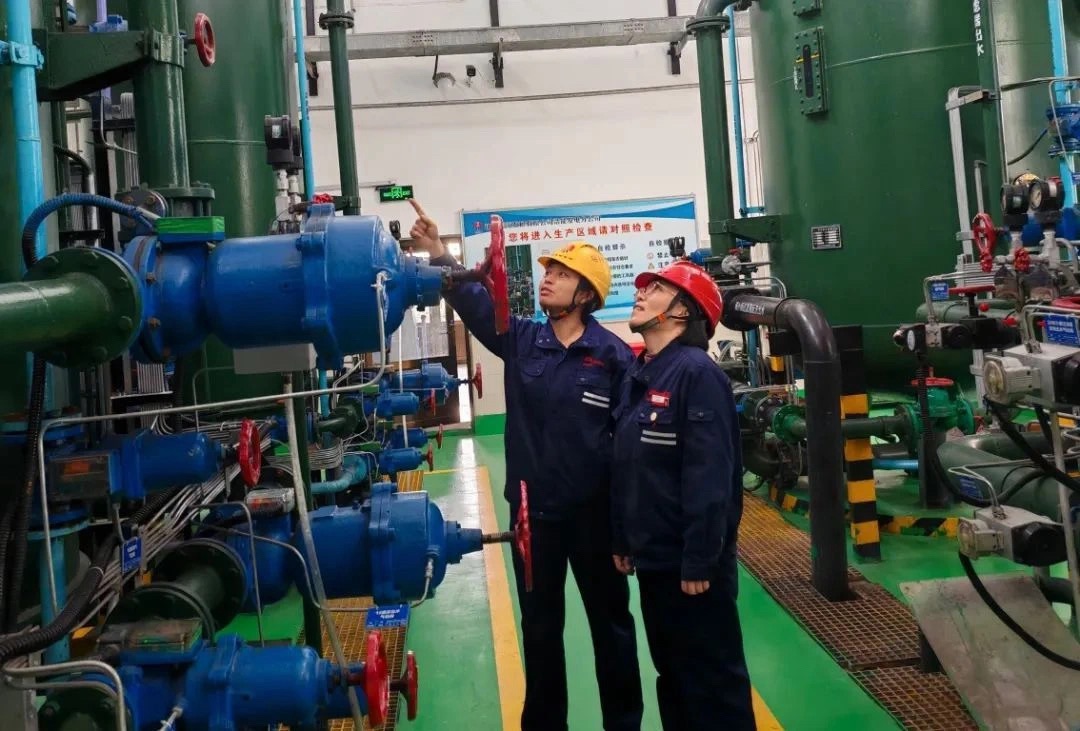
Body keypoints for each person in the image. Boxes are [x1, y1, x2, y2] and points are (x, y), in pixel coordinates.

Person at [407, 199, 643, 731]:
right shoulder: (523, 341)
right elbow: (475, 302)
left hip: (595, 519)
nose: (547, 279)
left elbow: (628, 451)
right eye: (548, 272)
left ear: (586, 294)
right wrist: (439, 252)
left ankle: (624, 723)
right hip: (533, 519)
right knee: (539, 629)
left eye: (562, 274)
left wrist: (625, 531)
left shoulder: (613, 357)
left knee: (612, 627)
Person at [611, 260, 755, 731]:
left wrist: (699, 560)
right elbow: (630, 466)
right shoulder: (642, 372)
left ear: (682, 311)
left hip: (692, 569)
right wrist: (623, 538)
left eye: (656, 289)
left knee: (713, 683)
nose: (641, 293)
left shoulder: (697, 374)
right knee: (673, 677)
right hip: (654, 562)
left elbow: (710, 478)